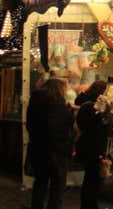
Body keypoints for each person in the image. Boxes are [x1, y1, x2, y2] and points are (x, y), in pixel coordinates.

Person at [26, 78, 74, 209]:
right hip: (56, 152)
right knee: (57, 187)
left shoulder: (35, 101)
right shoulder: (57, 104)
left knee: (40, 182)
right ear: (60, 88)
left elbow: (30, 124)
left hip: (38, 148)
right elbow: (57, 127)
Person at [74, 80, 108, 209]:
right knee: (93, 177)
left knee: (90, 176)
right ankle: (90, 205)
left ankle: (88, 204)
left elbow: (81, 124)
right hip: (94, 145)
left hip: (85, 143)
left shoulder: (83, 102)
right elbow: (101, 126)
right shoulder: (96, 107)